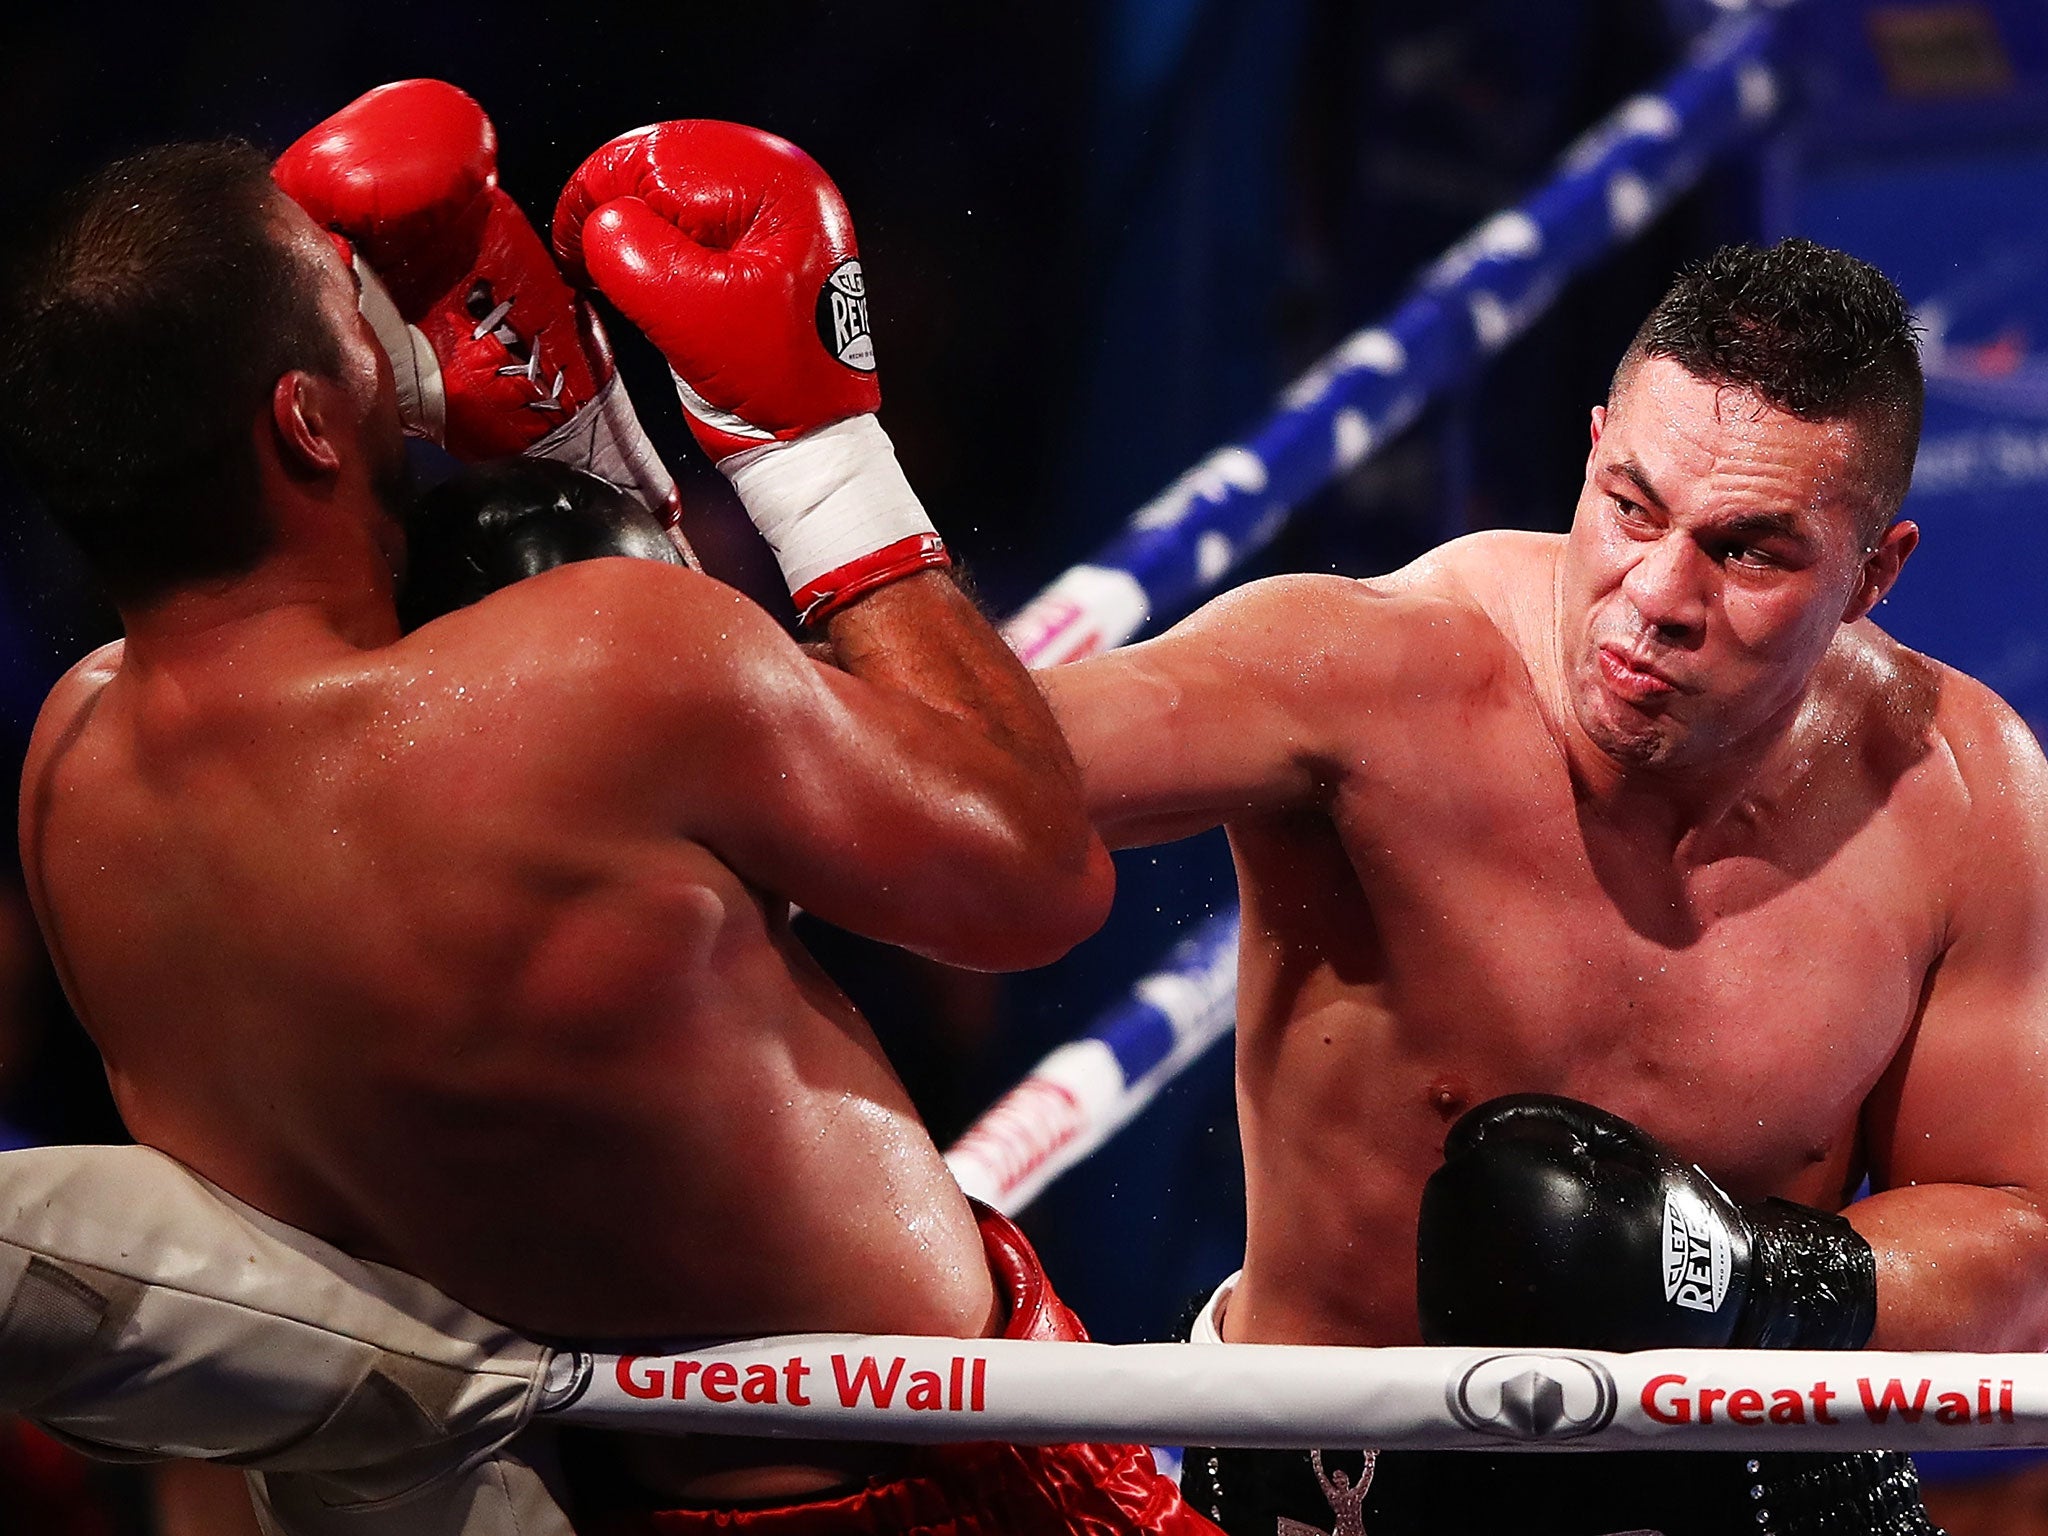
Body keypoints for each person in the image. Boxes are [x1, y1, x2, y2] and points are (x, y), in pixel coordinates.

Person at [0, 81, 1214, 1535]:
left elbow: (655, 891)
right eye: (345, 297)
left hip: (596, 1490)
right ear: (308, 426)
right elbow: (1032, 876)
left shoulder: (71, 790)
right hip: (939, 1478)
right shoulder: (591, 670)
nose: (389, 323)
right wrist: (813, 456)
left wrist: (586, 465)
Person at [1040, 238, 2048, 1535]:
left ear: (1874, 573)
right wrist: (817, 486)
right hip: (1351, 1483)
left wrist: (1748, 1277)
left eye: (1750, 552)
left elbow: (2021, 1246)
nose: (1659, 596)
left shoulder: (1959, 792)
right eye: (1633, 507)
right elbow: (971, 781)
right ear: (1590, 453)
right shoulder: (1364, 678)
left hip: (1762, 1473)